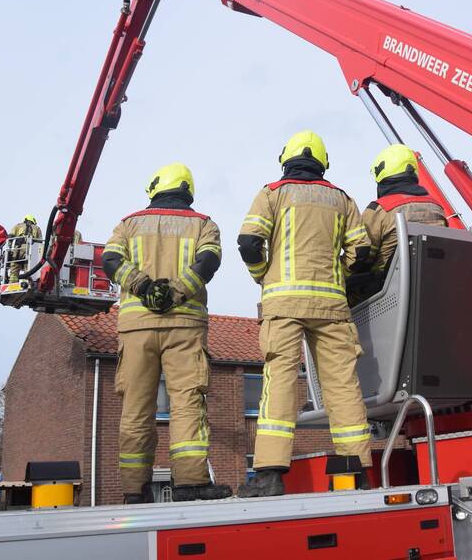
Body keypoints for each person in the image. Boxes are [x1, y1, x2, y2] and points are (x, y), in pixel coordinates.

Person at [236, 130, 373, 497]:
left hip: (283, 304)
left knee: (279, 381)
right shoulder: (343, 200)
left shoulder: (272, 193)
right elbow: (361, 254)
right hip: (331, 306)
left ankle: (268, 476)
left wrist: (262, 276)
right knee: (343, 387)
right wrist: (337, 275)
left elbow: (249, 242)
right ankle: (355, 472)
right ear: (322, 162)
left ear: (286, 159)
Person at [101, 163, 231, 504]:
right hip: (184, 327)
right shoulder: (204, 224)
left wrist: (143, 287)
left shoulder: (128, 224)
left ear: (154, 188)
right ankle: (190, 483)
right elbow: (208, 264)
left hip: (136, 329)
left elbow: (110, 260)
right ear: (188, 190)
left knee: (135, 408)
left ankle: (134, 490)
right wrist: (174, 293)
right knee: (187, 403)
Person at [346, 144, 447, 305]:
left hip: (385, 296)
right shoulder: (437, 208)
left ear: (382, 173)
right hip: (431, 289)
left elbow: (361, 257)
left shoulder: (379, 209)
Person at [7, 214, 42, 282]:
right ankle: (26, 283)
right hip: (30, 250)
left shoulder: (18, 225)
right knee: (28, 268)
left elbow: (10, 237)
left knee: (15, 267)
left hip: (18, 250)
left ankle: (12, 283)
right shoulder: (37, 228)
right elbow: (40, 242)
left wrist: (10, 248)